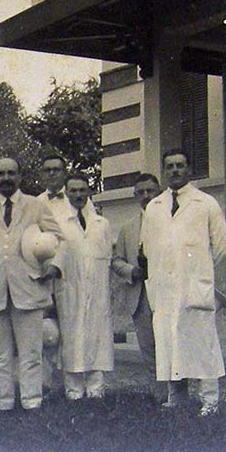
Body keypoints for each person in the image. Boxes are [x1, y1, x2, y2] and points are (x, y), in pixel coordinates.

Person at [140, 149, 226, 416]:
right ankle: (175, 397)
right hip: (165, 290)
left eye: (180, 165)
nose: (175, 171)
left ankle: (210, 401)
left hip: (194, 288)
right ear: (164, 171)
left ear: (190, 170)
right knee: (170, 343)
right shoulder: (154, 207)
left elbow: (224, 246)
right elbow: (148, 248)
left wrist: (198, 270)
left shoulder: (205, 203)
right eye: (169, 166)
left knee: (203, 345)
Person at [0, 157, 63, 411]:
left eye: (11, 173)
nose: (6, 178)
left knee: (31, 352)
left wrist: (51, 267)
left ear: (20, 177)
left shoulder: (35, 206)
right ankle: (3, 403)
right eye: (0, 174)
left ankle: (31, 402)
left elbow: (59, 240)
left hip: (29, 287)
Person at [49, 173, 114, 399]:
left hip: (96, 291)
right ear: (66, 193)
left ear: (89, 192)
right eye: (73, 190)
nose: (78, 195)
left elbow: (106, 257)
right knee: (72, 340)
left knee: (97, 338)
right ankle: (74, 392)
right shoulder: (59, 224)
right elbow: (54, 257)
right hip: (70, 290)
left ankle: (96, 391)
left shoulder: (101, 224)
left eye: (82, 190)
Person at [111, 173, 165, 402]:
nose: (146, 196)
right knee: (149, 347)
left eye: (150, 191)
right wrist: (132, 271)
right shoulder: (128, 228)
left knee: (170, 345)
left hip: (166, 292)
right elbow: (116, 260)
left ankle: (178, 397)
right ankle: (159, 396)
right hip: (141, 294)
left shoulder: (170, 223)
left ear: (159, 192)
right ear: (135, 196)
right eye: (141, 192)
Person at [35, 154, 74, 392]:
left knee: (70, 331)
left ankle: (70, 386)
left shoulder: (77, 201)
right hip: (43, 275)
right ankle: (46, 385)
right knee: (47, 333)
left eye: (56, 170)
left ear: (64, 173)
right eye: (47, 170)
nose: (52, 174)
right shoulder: (34, 203)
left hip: (71, 275)